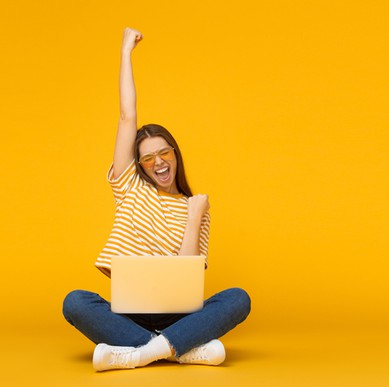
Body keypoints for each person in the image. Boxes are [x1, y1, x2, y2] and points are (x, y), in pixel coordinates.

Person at [62, 27, 251, 372]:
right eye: (148, 158)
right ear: (140, 166)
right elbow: (126, 117)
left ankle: (137, 354)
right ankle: (181, 348)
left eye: (164, 153)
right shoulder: (130, 187)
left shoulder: (196, 207)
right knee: (75, 302)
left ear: (175, 155)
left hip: (179, 312)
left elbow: (186, 275)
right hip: (129, 313)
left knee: (238, 299)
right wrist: (125, 54)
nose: (158, 162)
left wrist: (194, 216)